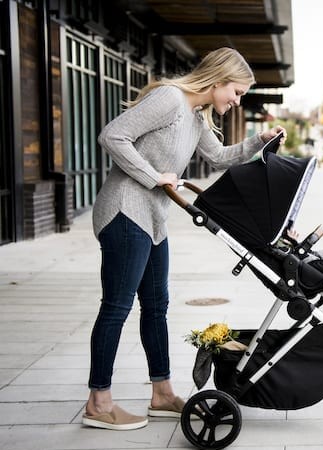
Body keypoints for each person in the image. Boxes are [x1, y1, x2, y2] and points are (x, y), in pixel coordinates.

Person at [84, 47, 286, 431]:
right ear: (217, 81)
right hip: (126, 211)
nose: (237, 100)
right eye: (237, 92)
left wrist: (260, 140)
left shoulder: (195, 116)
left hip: (154, 219)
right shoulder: (170, 99)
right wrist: (153, 175)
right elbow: (112, 135)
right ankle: (98, 403)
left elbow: (220, 157)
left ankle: (161, 394)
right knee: (116, 307)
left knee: (157, 306)